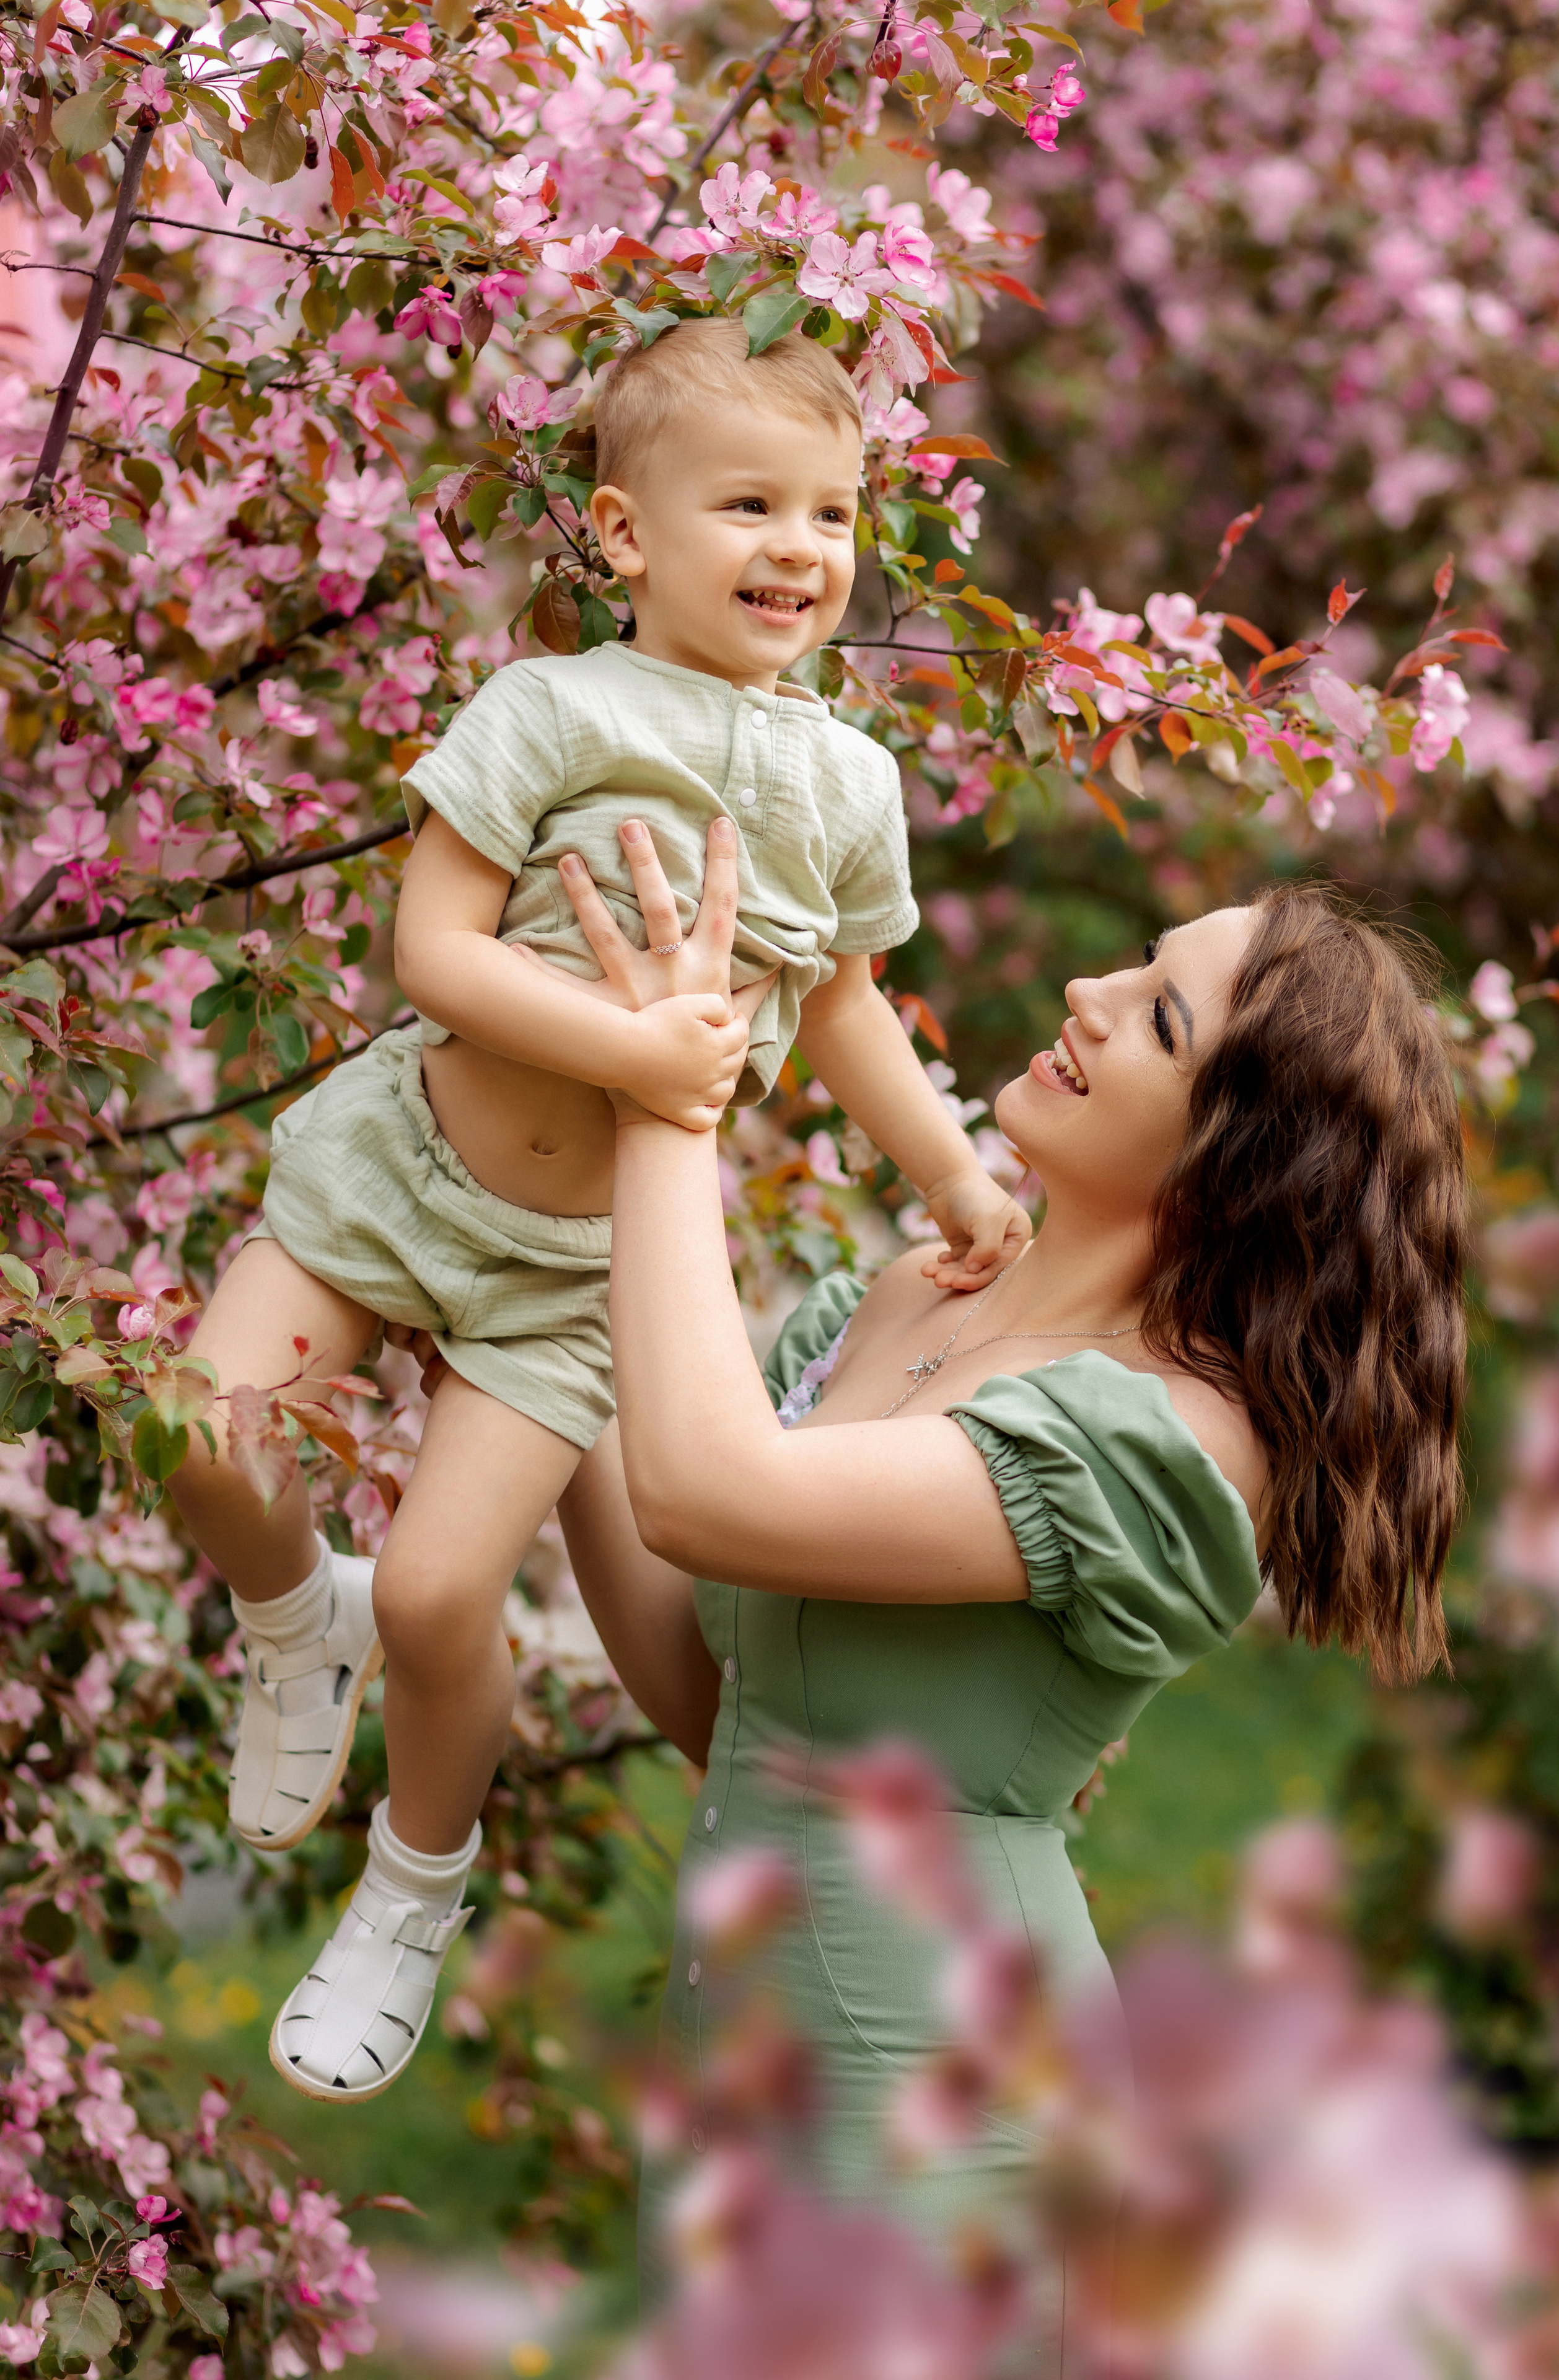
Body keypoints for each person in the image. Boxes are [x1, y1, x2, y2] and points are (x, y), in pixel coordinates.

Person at [166, 320, 1027, 2105]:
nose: (801, 546)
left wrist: (948, 1170)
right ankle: (291, 1618)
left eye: (832, 512)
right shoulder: (552, 710)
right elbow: (435, 948)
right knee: (200, 1434)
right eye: (749, 504)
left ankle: (412, 1883)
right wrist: (635, 1051)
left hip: (575, 1277)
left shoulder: (850, 784)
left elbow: (845, 1004)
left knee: (436, 1596)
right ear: (627, 535)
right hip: (403, 1171)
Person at [551, 821, 1469, 2275]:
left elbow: (707, 1489)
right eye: (1138, 963)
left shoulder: (1163, 1441)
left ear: (1233, 1158)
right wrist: (517, 1340)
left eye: (1157, 1019)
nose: (1088, 993)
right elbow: (734, 1705)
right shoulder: (910, 1297)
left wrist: (665, 1104)